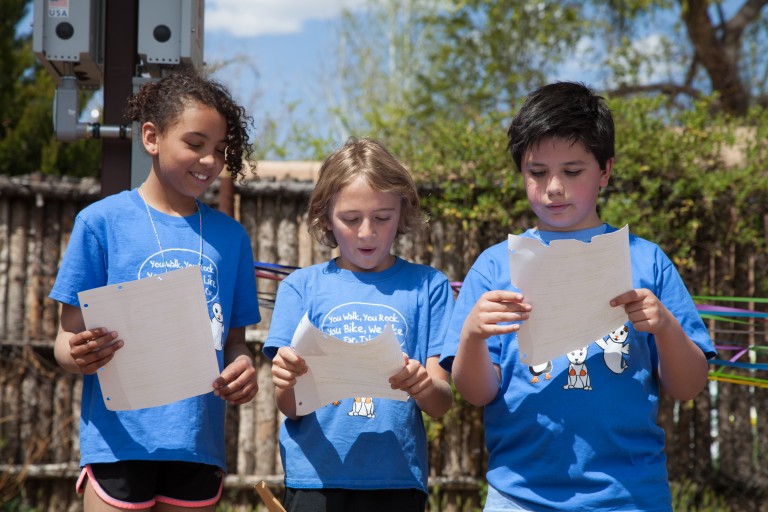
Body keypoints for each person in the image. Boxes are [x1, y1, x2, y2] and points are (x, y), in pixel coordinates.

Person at [439, 81, 715, 512]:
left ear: (605, 170)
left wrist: (664, 326)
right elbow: (475, 393)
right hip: (518, 496)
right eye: (537, 172)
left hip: (631, 496)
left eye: (572, 171)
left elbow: (689, 385)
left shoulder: (646, 261)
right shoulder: (494, 266)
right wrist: (472, 336)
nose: (553, 187)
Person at [49, 71, 261, 512]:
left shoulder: (232, 238)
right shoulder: (100, 223)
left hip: (196, 448)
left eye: (221, 150)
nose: (209, 160)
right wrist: (78, 353)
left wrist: (243, 368)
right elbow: (65, 339)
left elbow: (236, 342)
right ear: (151, 137)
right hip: (118, 444)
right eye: (195, 143)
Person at [264, 137, 454, 512]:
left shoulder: (429, 286)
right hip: (315, 479)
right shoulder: (300, 288)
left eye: (382, 217)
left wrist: (421, 384)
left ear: (403, 213)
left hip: (397, 481)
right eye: (350, 219)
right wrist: (285, 381)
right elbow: (291, 407)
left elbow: (441, 403)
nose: (366, 232)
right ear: (325, 217)